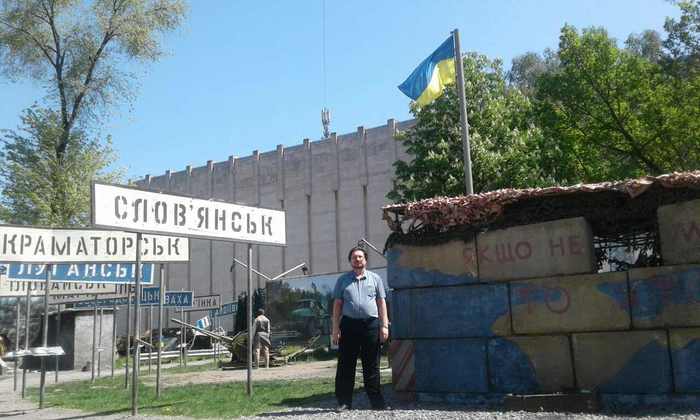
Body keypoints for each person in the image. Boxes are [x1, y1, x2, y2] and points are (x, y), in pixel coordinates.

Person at [332, 246, 389, 411]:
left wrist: (384, 325)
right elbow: (337, 305)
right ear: (350, 261)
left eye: (360, 257)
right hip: (349, 325)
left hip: (371, 325)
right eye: (354, 257)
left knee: (371, 364)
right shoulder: (342, 280)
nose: (357, 260)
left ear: (365, 260)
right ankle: (344, 402)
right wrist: (335, 329)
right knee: (345, 364)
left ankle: (377, 402)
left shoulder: (375, 279)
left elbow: (381, 303)